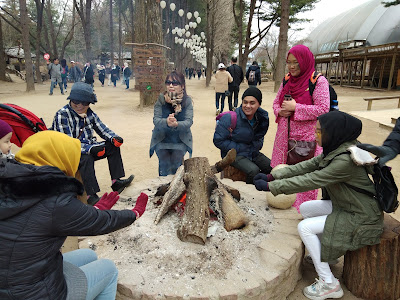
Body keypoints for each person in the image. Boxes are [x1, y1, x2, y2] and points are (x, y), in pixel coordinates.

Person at [0, 130, 149, 300]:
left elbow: (48, 220)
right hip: (33, 293)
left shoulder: (9, 177)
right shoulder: (54, 197)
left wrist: (95, 210)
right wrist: (133, 214)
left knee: (89, 255)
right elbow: (101, 222)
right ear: (61, 158)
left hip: (15, 279)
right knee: (108, 268)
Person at [254, 111, 383, 300]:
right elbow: (308, 165)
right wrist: (273, 175)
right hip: (348, 205)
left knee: (304, 228)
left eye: (319, 131)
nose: (315, 135)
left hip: (361, 214)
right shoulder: (337, 148)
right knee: (306, 209)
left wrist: (271, 187)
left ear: (334, 132)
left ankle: (329, 283)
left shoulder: (344, 161)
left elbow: (312, 179)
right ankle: (327, 255)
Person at [51, 82, 134, 205]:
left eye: (84, 103)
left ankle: (116, 182)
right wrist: (90, 149)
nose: (80, 106)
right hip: (69, 154)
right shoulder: (62, 114)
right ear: (71, 100)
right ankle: (91, 195)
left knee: (112, 147)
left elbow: (102, 129)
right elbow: (66, 143)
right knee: (86, 158)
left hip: (89, 147)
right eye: (76, 102)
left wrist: (114, 138)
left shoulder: (89, 113)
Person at [270, 44, 330, 212]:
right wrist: (280, 111)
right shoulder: (287, 79)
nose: (291, 66)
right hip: (284, 138)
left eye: (295, 62)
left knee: (304, 179)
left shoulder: (318, 81)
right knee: (282, 173)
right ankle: (282, 205)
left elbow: (323, 109)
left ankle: (302, 212)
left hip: (306, 140)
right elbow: (276, 103)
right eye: (289, 62)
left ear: (304, 61)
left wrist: (296, 108)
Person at [213, 86, 272, 184]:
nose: (248, 106)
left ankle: (261, 184)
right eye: (245, 102)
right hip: (233, 154)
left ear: (259, 104)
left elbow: (260, 135)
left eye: (252, 103)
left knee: (272, 168)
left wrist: (255, 146)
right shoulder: (230, 118)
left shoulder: (262, 118)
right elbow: (218, 140)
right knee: (254, 171)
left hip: (252, 151)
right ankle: (248, 191)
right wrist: (239, 148)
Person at [149, 71, 193, 176]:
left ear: (182, 86)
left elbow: (189, 121)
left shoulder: (187, 101)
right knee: (164, 165)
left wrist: (176, 124)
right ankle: (163, 189)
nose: (171, 85)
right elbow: (156, 120)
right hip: (161, 139)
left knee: (176, 164)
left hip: (180, 140)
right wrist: (166, 122)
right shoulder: (161, 99)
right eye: (168, 82)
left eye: (175, 83)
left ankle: (176, 189)